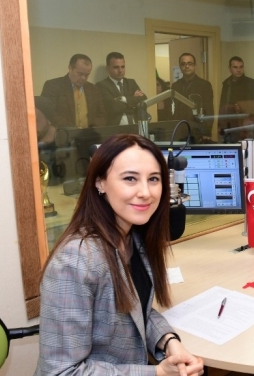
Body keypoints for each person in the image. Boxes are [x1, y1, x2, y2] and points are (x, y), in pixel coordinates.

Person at [35, 134, 204, 375]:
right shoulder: (75, 261)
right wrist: (157, 373)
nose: (145, 192)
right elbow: (62, 371)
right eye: (130, 178)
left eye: (153, 179)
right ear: (100, 182)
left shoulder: (132, 237)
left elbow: (136, 310)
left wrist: (169, 341)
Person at [41, 53, 107, 128]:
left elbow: (102, 115)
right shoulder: (53, 86)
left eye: (87, 75)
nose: (83, 78)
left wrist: (94, 127)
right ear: (70, 68)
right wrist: (72, 129)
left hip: (89, 134)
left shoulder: (94, 89)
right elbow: (49, 114)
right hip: (63, 133)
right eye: (80, 74)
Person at [218, 56, 254, 144]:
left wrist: (242, 106)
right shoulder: (226, 84)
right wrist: (220, 126)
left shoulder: (251, 83)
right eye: (235, 67)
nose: (238, 70)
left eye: (241, 67)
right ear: (230, 68)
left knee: (246, 151)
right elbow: (222, 105)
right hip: (230, 127)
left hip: (247, 127)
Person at [167, 53, 214, 140]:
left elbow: (209, 110)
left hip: (197, 130)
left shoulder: (205, 85)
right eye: (183, 64)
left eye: (190, 63)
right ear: (180, 67)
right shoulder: (175, 86)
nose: (187, 66)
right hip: (179, 130)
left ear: (195, 66)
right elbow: (172, 109)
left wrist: (206, 132)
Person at [96, 52, 148, 126]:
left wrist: (123, 99)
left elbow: (143, 100)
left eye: (123, 67)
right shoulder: (102, 85)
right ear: (107, 68)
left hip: (136, 126)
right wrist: (133, 100)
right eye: (116, 67)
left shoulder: (131, 82)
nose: (120, 70)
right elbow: (112, 107)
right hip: (115, 128)